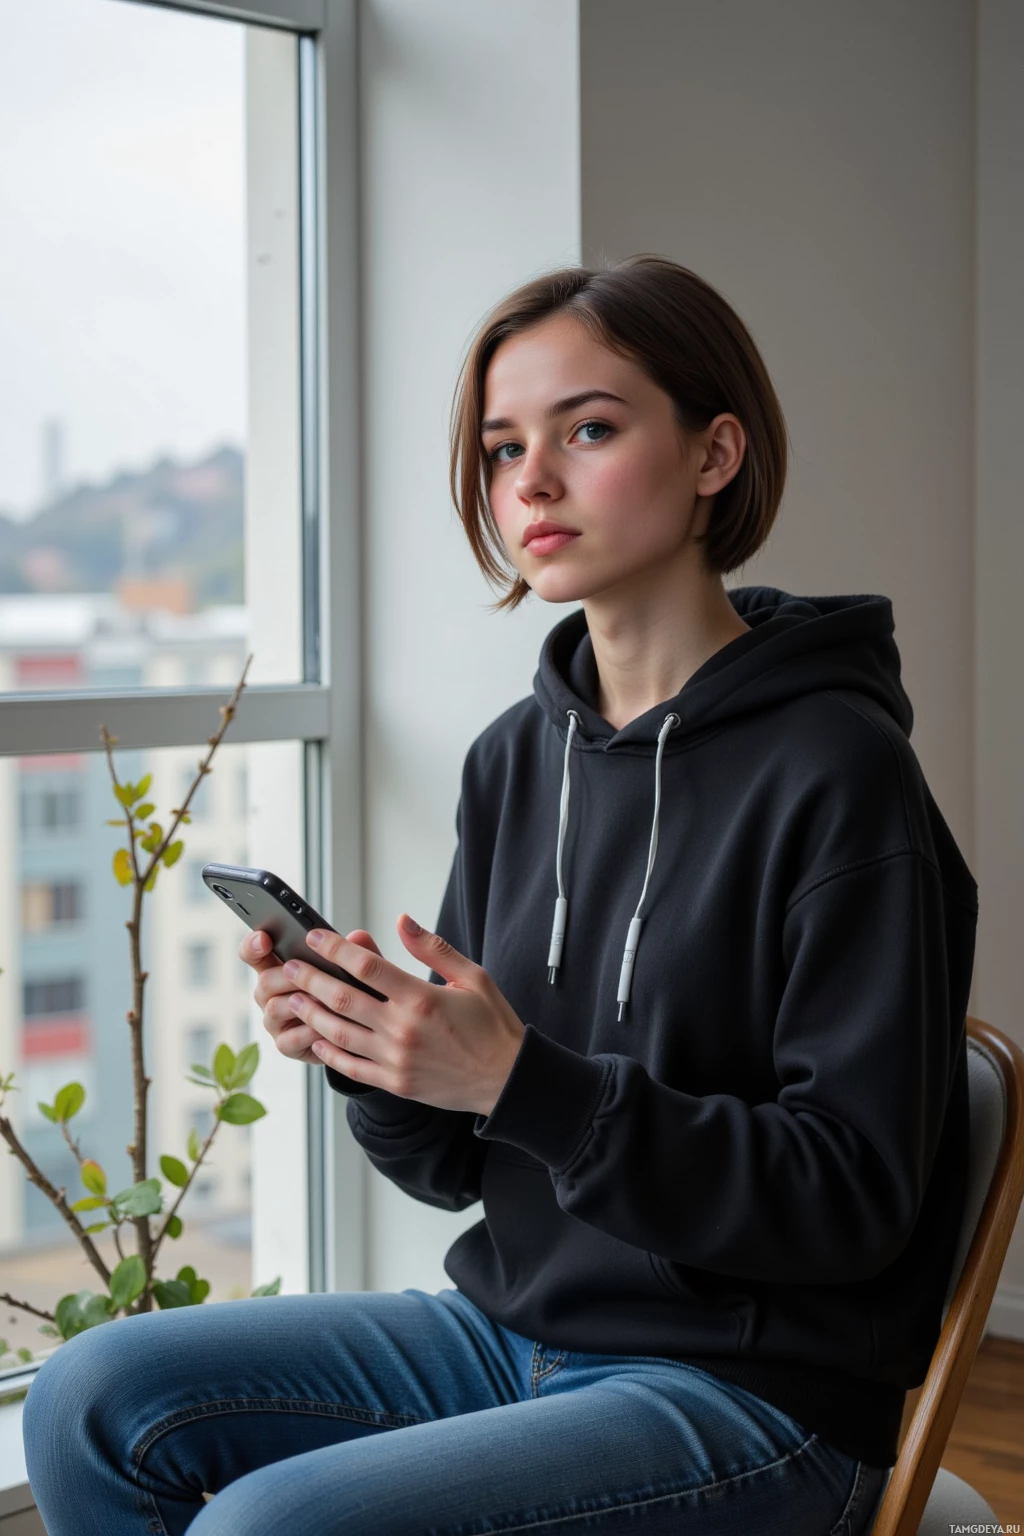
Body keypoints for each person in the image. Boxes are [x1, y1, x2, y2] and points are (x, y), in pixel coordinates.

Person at [22, 255, 978, 1536]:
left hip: (756, 1397)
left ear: (714, 455)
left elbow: (851, 1202)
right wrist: (376, 1055)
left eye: (587, 429)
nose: (528, 481)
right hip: (512, 1330)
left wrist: (525, 1082)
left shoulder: (840, 774)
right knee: (93, 1396)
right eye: (499, 447)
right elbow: (464, 1167)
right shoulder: (519, 757)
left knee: (274, 1527)